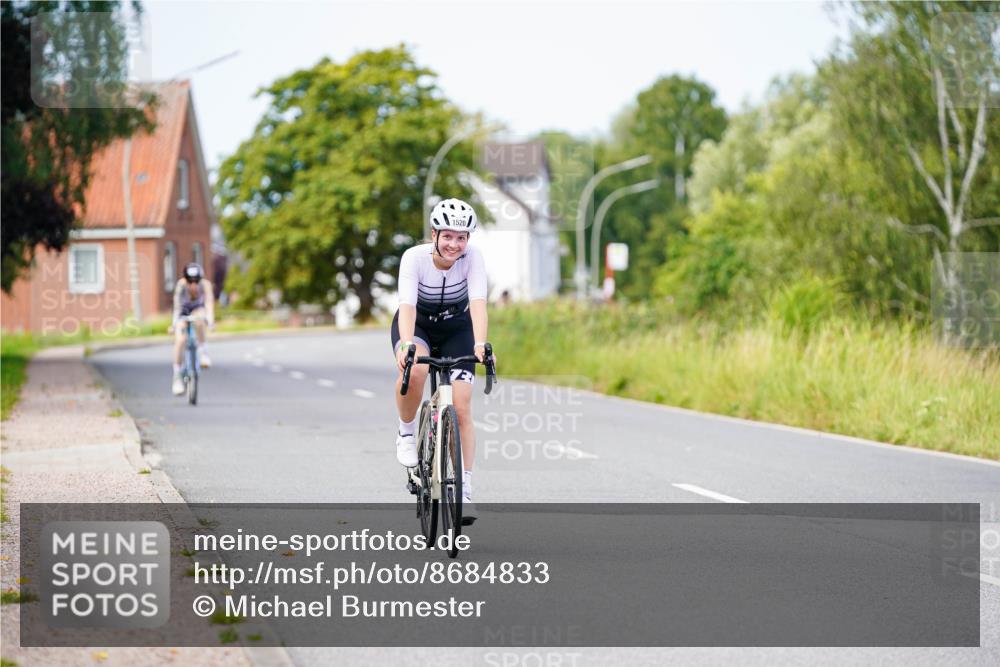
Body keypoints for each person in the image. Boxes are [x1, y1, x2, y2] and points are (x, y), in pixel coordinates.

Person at [391, 198, 492, 525]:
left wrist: (479, 343)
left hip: (456, 328)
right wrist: (407, 344)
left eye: (461, 238)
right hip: (417, 323)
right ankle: (407, 432)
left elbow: (477, 302)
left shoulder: (473, 258)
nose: (454, 244)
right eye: (448, 236)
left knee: (461, 406)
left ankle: (464, 490)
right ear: (433, 234)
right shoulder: (413, 258)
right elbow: (407, 305)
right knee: (416, 367)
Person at [170, 262, 215, 395]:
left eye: (196, 281)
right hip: (183, 311)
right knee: (180, 340)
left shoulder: (205, 285)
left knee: (200, 319)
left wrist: (211, 322)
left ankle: (203, 353)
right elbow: (177, 306)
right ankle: (177, 376)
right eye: (190, 282)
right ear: (186, 280)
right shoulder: (181, 285)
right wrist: (174, 324)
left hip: (197, 309)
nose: (193, 285)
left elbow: (209, 303)